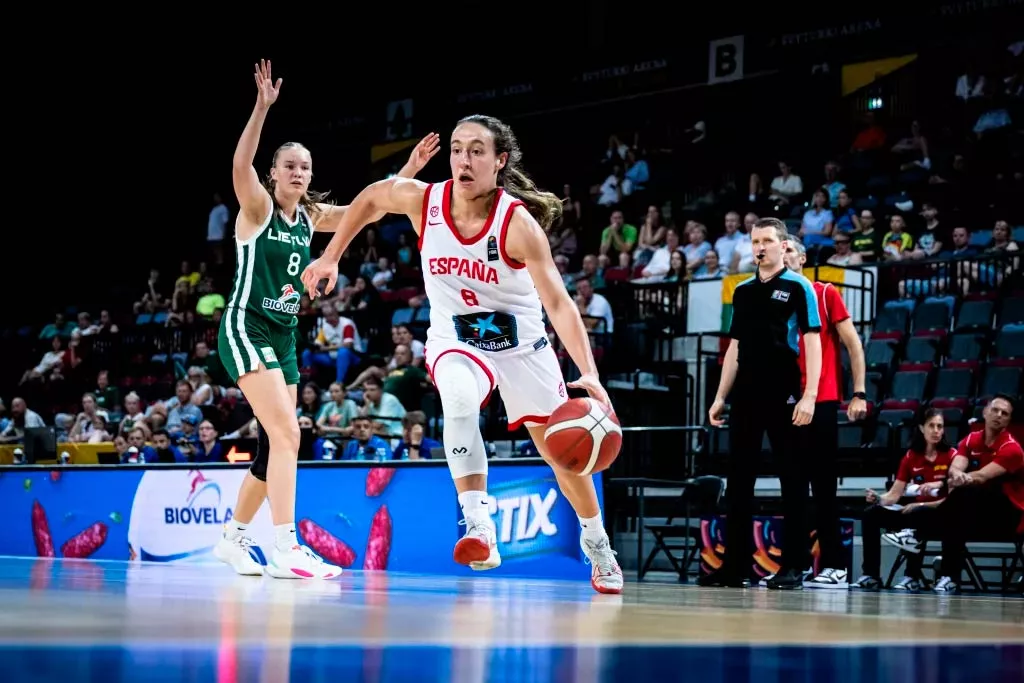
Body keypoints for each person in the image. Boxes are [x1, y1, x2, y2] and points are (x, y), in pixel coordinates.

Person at [300, 114, 623, 594]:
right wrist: (331, 256)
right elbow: (369, 198)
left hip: (520, 345)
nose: (463, 160)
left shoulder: (517, 224)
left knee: (561, 456)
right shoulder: (425, 200)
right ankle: (479, 525)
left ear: (499, 161)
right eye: (456, 149)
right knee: (456, 399)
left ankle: (597, 543)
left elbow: (558, 302)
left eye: (476, 150)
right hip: (457, 337)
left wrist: (590, 374)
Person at [213, 60, 440, 578]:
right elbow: (239, 164)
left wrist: (405, 171)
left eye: (305, 167)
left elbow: (368, 211)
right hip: (246, 325)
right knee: (289, 435)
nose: (298, 172)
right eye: (289, 165)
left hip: (284, 334)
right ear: (274, 173)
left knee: (277, 442)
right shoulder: (257, 209)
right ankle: (285, 546)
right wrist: (261, 107)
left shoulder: (312, 217)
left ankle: (233, 537)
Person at [703, 217, 822, 589]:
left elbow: (813, 341)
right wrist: (721, 396)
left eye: (768, 240)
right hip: (747, 390)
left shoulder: (799, 287)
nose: (760, 247)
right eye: (755, 241)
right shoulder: (743, 291)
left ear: (783, 246)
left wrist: (810, 395)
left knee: (791, 477)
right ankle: (734, 566)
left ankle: (793, 566)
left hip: (784, 387)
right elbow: (735, 347)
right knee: (739, 480)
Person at [782, 238, 869, 588]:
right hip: (785, 404)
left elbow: (854, 345)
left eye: (790, 249)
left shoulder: (824, 292)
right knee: (793, 488)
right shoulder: (772, 300)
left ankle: (836, 566)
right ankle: (795, 565)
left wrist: (859, 393)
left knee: (823, 486)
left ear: (802, 258)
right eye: (780, 248)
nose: (784, 254)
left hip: (821, 399)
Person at [924, 394, 1024, 593]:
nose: (998, 415)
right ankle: (949, 577)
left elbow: (981, 476)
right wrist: (956, 475)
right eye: (995, 410)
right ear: (985, 412)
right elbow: (956, 466)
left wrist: (962, 479)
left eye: (1004, 414)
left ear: (1008, 421)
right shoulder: (971, 439)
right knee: (957, 509)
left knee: (965, 496)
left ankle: (920, 535)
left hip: (1010, 514)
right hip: (977, 509)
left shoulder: (1012, 449)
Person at [850, 408, 955, 592]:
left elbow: (953, 499)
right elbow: (894, 495)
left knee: (918, 512)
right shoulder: (911, 456)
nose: (936, 430)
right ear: (922, 428)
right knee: (871, 514)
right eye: (932, 426)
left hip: (942, 514)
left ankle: (911, 576)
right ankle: (871, 575)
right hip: (915, 512)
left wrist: (920, 504)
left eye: (940, 426)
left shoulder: (952, 455)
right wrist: (878, 499)